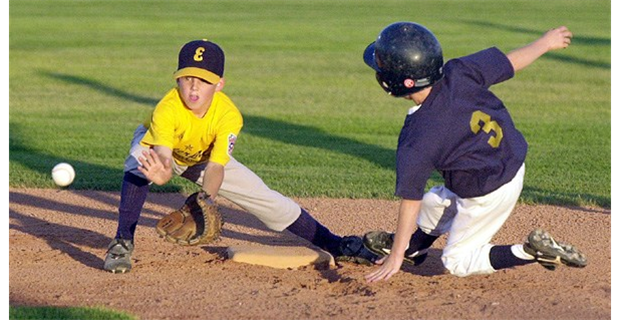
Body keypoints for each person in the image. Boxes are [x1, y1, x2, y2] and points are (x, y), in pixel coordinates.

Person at [103, 38, 378, 273]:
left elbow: (216, 167)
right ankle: (122, 241)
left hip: (203, 157)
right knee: (140, 159)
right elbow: (163, 158)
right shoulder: (167, 108)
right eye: (187, 78)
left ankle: (335, 243)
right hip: (164, 151)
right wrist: (161, 175)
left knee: (266, 198)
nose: (194, 87)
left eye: (203, 80)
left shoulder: (228, 115)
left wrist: (205, 199)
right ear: (177, 78)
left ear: (219, 84)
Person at [360, 22, 587, 282]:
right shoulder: (458, 72)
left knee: (457, 261)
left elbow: (410, 201)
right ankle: (415, 248)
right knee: (435, 202)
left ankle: (529, 251)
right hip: (507, 159)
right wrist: (545, 43)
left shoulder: (417, 137)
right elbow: (509, 62)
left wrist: (395, 254)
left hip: (488, 191)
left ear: (394, 82)